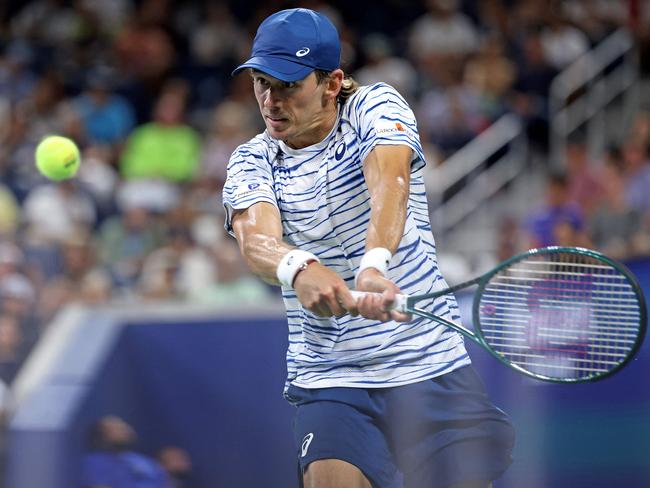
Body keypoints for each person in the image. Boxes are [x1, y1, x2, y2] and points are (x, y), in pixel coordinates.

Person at [224, 8, 514, 488]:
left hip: (428, 365)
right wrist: (297, 267)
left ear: (332, 83)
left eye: (288, 85)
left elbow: (390, 182)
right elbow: (258, 242)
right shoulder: (252, 159)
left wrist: (375, 265)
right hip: (332, 376)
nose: (271, 101)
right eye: (261, 83)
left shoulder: (376, 107)